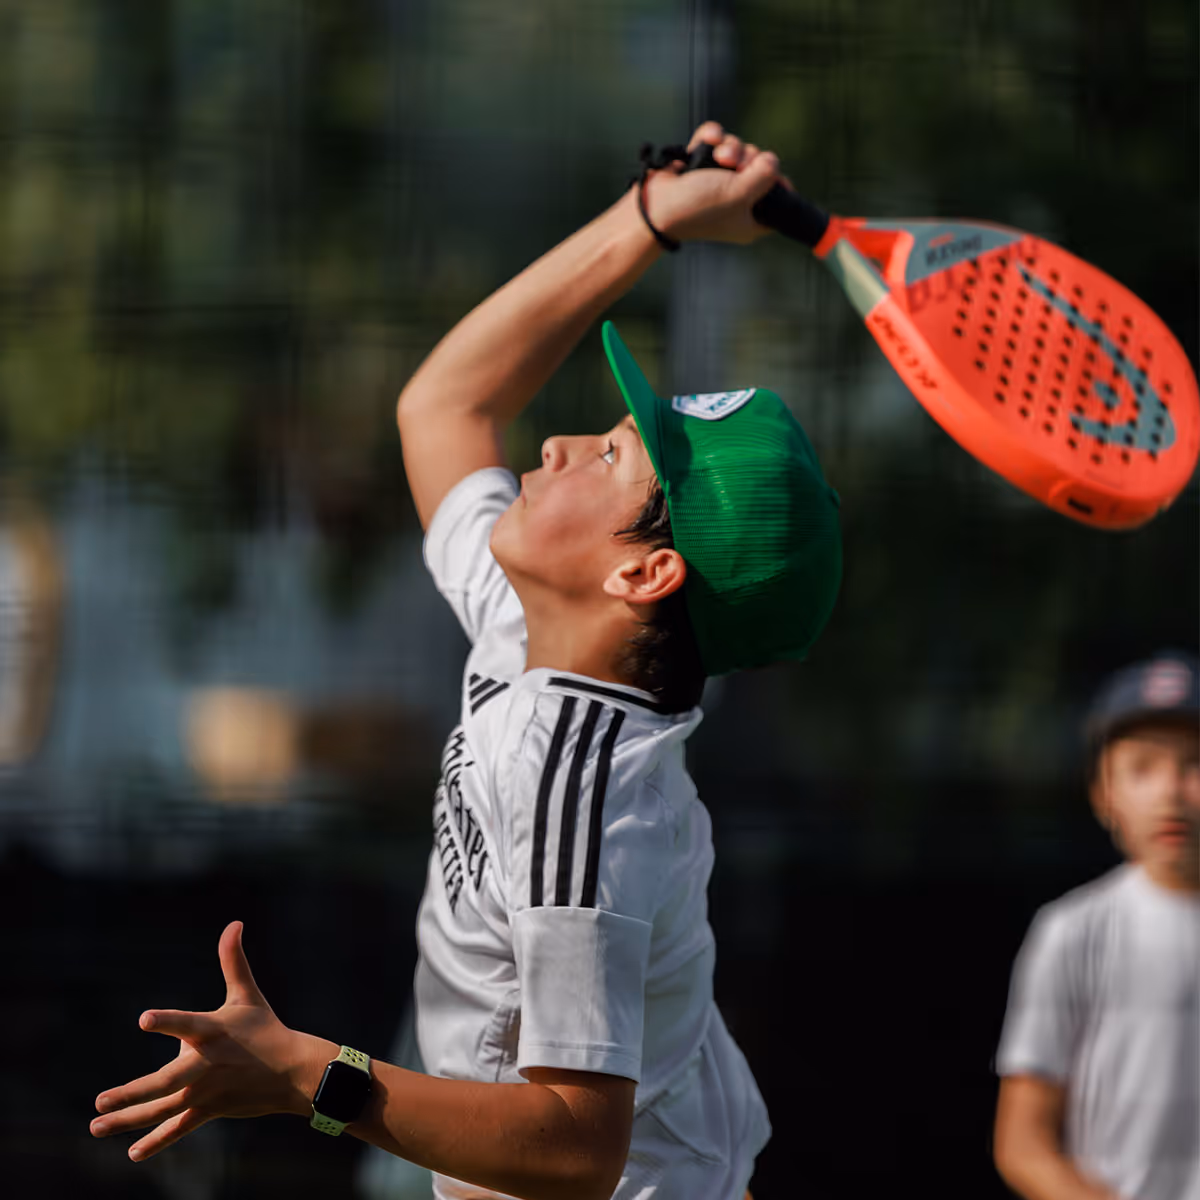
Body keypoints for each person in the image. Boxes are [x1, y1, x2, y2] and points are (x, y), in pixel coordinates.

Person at [88, 121, 843, 1200]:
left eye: (615, 455)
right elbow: (447, 404)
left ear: (642, 576)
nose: (561, 443)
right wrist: (648, 222)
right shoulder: (534, 630)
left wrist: (306, 1072)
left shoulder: (588, 787)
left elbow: (575, 1149)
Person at [993, 651, 1200, 1200]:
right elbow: (1022, 1139)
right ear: (1104, 795)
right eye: (1142, 768)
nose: (1171, 791)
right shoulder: (1070, 932)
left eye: (1194, 764)